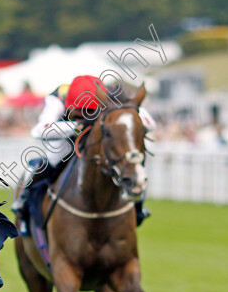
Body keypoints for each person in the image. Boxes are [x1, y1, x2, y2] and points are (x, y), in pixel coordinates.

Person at [13, 75, 157, 227]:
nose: (86, 116)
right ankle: (24, 198)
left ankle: (138, 204)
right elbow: (38, 131)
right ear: (70, 106)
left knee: (127, 158)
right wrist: (76, 126)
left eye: (91, 112)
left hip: (96, 136)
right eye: (81, 112)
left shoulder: (109, 96)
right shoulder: (57, 98)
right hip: (67, 137)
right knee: (54, 157)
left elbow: (149, 123)